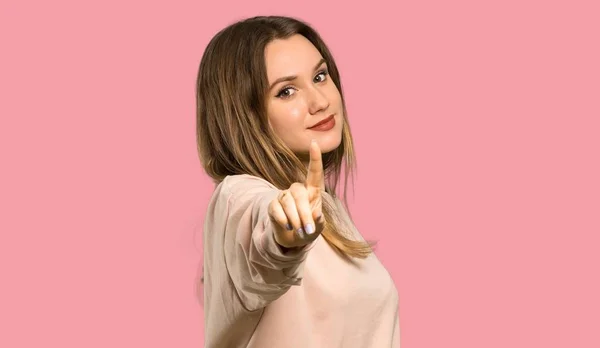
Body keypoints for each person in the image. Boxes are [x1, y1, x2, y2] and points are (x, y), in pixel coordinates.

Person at [195, 15, 400, 348]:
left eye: (320, 76)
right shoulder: (239, 197)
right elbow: (263, 240)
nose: (320, 102)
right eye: (286, 91)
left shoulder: (326, 207)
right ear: (244, 115)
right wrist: (285, 241)